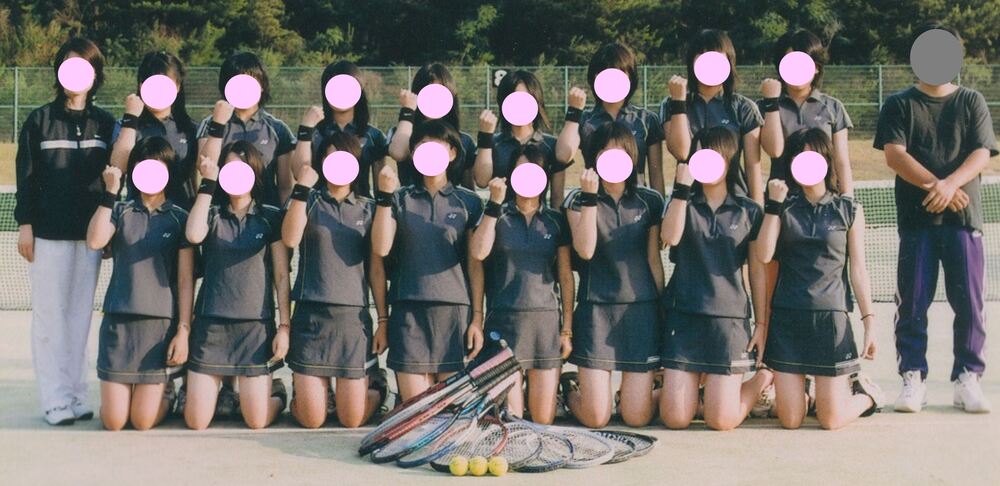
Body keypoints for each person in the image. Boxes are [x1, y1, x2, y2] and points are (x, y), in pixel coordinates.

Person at [874, 23, 997, 414]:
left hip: (964, 219)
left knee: (971, 304)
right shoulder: (899, 104)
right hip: (917, 221)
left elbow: (982, 152)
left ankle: (967, 379)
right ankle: (913, 378)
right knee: (912, 304)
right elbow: (894, 155)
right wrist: (936, 186)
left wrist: (951, 185)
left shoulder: (972, 101)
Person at [15, 37, 116, 426]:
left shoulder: (105, 123)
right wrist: (26, 225)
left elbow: (114, 179)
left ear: (95, 75)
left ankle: (75, 395)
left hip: (88, 238)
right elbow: (26, 177)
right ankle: (54, 400)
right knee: (49, 318)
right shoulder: (39, 121)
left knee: (78, 318)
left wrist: (107, 232)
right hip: (48, 235)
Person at [756, 128, 884, 430]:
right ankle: (813, 394)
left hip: (830, 320)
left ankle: (867, 396)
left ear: (826, 161)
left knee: (830, 419)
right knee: (790, 419)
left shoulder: (849, 210)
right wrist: (773, 206)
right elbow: (763, 254)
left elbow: (858, 269)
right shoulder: (783, 208)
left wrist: (869, 322)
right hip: (788, 319)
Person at [658, 127, 772, 430]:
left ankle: (762, 380)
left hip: (728, 321)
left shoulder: (749, 210)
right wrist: (681, 189)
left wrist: (761, 324)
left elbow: (757, 271)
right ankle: (695, 393)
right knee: (675, 418)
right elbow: (669, 237)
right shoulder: (681, 203)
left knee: (721, 421)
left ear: (729, 160)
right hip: (684, 318)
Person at [281, 129, 388, 428]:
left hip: (352, 321)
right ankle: (301, 392)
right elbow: (290, 239)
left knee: (352, 420)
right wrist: (301, 188)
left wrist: (383, 320)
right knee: (312, 420)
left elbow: (376, 270)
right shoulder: (308, 200)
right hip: (311, 317)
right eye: (331, 157)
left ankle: (377, 386)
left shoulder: (368, 207)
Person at [561, 121, 665, 428]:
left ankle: (662, 392)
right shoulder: (576, 199)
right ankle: (567, 390)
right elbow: (585, 250)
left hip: (640, 312)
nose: (613, 158)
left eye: (620, 151)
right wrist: (590, 198)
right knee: (597, 417)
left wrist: (661, 309)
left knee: (637, 417)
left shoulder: (650, 200)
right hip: (596, 311)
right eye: (605, 152)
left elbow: (654, 260)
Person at [372, 120, 485, 401]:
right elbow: (381, 248)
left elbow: (475, 265)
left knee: (450, 410)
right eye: (422, 144)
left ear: (452, 152)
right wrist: (384, 196)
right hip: (408, 311)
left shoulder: (469, 202)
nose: (430, 149)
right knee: (419, 411)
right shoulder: (398, 199)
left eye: (438, 143)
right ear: (413, 153)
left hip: (453, 313)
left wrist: (476, 319)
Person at [86, 137, 194, 430]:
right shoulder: (120, 210)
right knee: (114, 422)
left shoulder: (179, 218)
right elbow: (95, 241)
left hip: (158, 329)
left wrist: (183, 331)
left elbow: (185, 281)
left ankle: (167, 393)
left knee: (142, 421)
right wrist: (110, 192)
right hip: (118, 325)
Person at [183, 141, 290, 430]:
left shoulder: (271, 216)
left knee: (256, 421)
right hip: (211, 327)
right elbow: (193, 235)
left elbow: (282, 275)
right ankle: (223, 394)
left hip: (255, 330)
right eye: (229, 168)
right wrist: (207, 183)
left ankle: (277, 393)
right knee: (196, 421)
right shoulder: (211, 213)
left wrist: (284, 327)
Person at [469, 144, 574, 424]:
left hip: (545, 326)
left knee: (543, 420)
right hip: (504, 324)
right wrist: (493, 204)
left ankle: (566, 387)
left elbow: (565, 277)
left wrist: (566, 330)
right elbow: (478, 253)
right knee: (512, 419)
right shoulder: (497, 215)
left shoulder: (555, 220)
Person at [662, 29, 764, 203]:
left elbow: (752, 166)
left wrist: (758, 210)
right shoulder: (672, 103)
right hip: (688, 203)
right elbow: (681, 152)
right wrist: (679, 102)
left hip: (734, 204)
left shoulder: (744, 107)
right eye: (702, 56)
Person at [556, 42, 665, 194]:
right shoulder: (585, 119)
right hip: (595, 201)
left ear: (630, 77)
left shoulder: (647, 119)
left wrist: (658, 205)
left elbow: (656, 173)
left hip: (636, 202)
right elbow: (562, 156)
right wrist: (574, 112)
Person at [195, 52, 296, 206]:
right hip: (221, 215)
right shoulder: (210, 124)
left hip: (265, 215)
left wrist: (283, 215)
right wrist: (218, 125)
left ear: (261, 86)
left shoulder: (278, 129)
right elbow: (204, 167)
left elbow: (285, 186)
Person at [109, 51, 198, 209]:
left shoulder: (191, 128)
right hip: (138, 215)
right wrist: (131, 118)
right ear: (141, 85)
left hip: (181, 214)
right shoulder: (126, 126)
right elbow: (118, 167)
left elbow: (197, 175)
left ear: (177, 86)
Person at [473, 70, 572, 207]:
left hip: (538, 219)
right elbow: (481, 181)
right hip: (500, 218)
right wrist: (485, 137)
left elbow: (557, 197)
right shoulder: (494, 143)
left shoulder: (551, 145)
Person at [298, 60, 388, 198]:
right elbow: (299, 173)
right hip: (319, 207)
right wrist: (306, 129)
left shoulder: (374, 135)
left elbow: (380, 188)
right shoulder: (314, 132)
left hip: (361, 208)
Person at [387, 63, 477, 189]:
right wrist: (407, 111)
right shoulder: (403, 132)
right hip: (411, 200)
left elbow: (468, 187)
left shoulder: (464, 141)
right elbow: (398, 153)